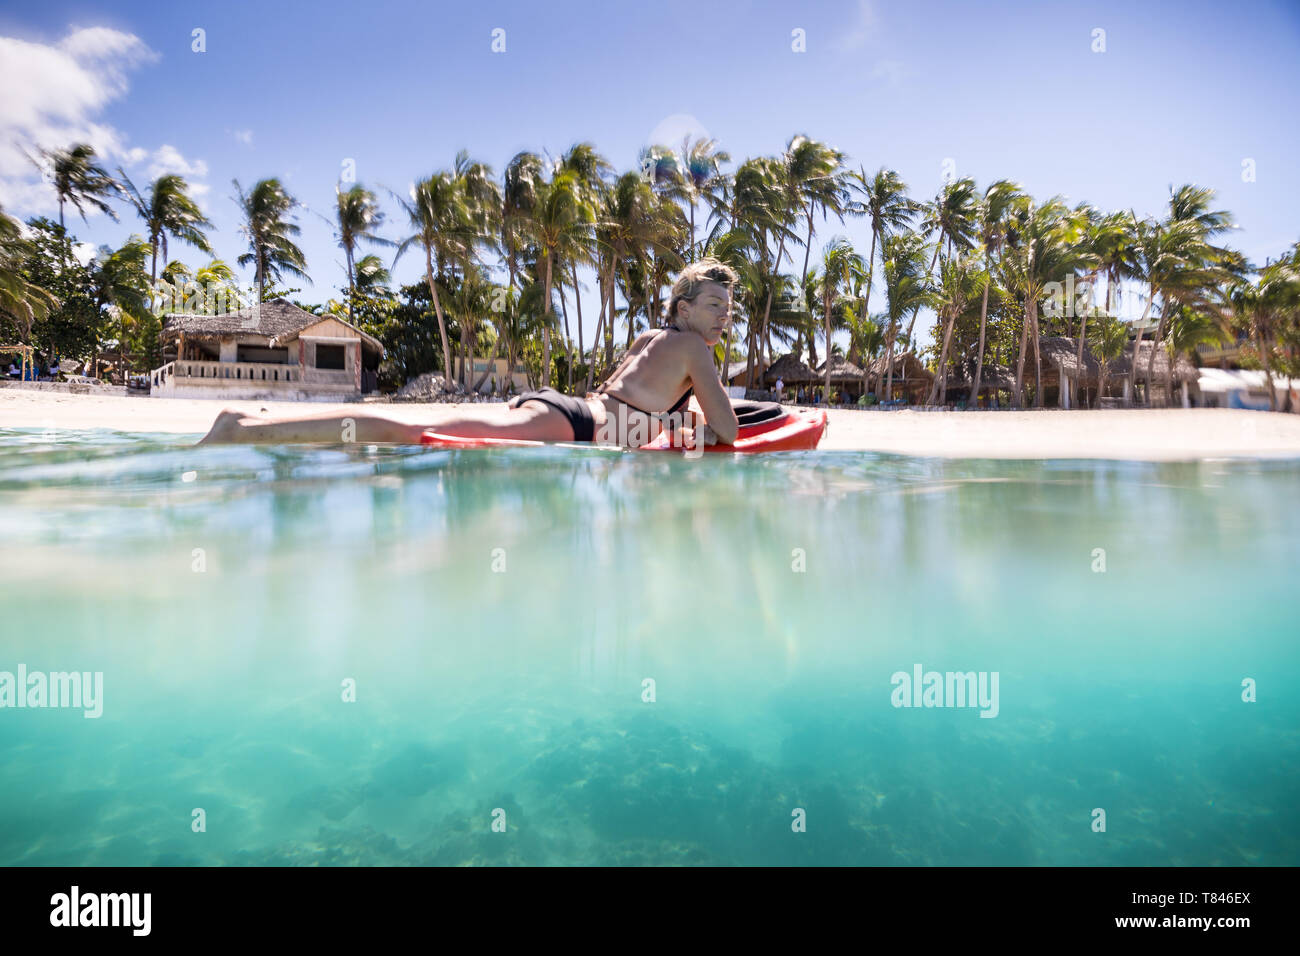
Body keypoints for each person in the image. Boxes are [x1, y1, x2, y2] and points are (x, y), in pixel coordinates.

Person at [199, 258, 743, 448]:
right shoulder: (696, 349)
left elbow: (648, 404)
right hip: (578, 429)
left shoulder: (652, 339)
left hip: (565, 410)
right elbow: (729, 432)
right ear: (684, 307)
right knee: (410, 432)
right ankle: (242, 430)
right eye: (715, 304)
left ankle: (256, 421)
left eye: (729, 307)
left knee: (416, 434)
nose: (725, 315)